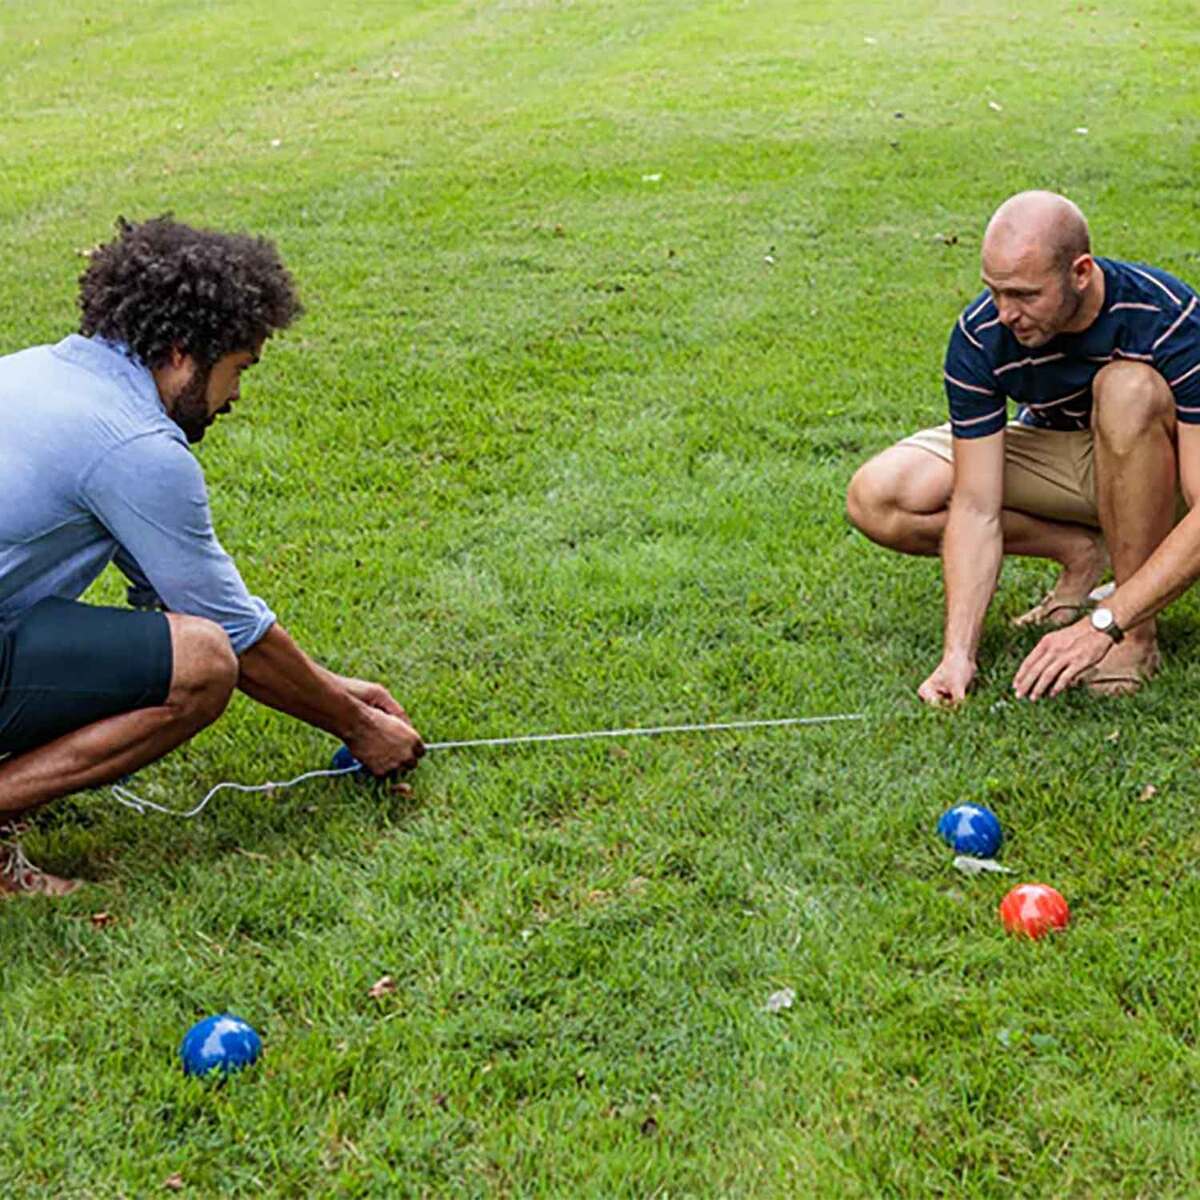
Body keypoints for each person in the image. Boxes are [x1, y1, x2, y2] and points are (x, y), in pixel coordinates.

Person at [0, 217, 425, 896]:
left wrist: (337, 689)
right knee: (202, 664)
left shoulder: (38, 372)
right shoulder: (136, 446)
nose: (235, 398)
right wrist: (358, 727)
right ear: (181, 353)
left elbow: (171, 596)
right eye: (238, 370)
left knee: (143, 645)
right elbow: (232, 640)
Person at [845, 191, 1200, 705]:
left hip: (1168, 472)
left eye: (1025, 295)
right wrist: (958, 655)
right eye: (994, 291)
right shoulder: (983, 334)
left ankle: (1137, 640)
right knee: (879, 496)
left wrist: (1107, 624)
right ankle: (1080, 551)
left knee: (1128, 391)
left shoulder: (1168, 318)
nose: (1006, 313)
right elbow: (976, 505)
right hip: (1066, 459)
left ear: (1081, 273)